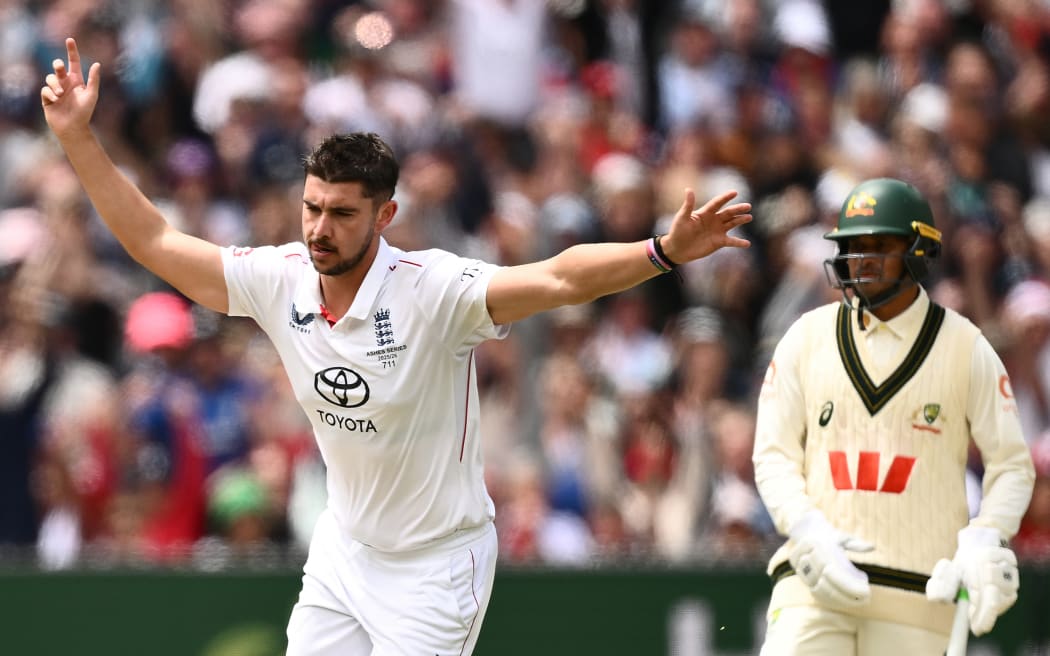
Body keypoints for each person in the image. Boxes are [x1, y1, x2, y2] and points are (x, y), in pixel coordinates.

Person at [40, 38, 752, 655]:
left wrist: (662, 251)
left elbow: (560, 277)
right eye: (312, 208)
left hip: (437, 566)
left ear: (386, 215)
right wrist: (78, 138)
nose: (319, 228)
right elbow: (155, 241)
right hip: (346, 549)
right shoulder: (278, 277)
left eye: (342, 214)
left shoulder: (436, 291)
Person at [751, 177, 1035, 655]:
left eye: (878, 244)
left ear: (919, 249)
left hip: (920, 594)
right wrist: (805, 527)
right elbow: (773, 454)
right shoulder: (806, 337)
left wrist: (988, 536)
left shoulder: (966, 348)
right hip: (815, 582)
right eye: (851, 246)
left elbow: (1010, 464)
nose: (861, 259)